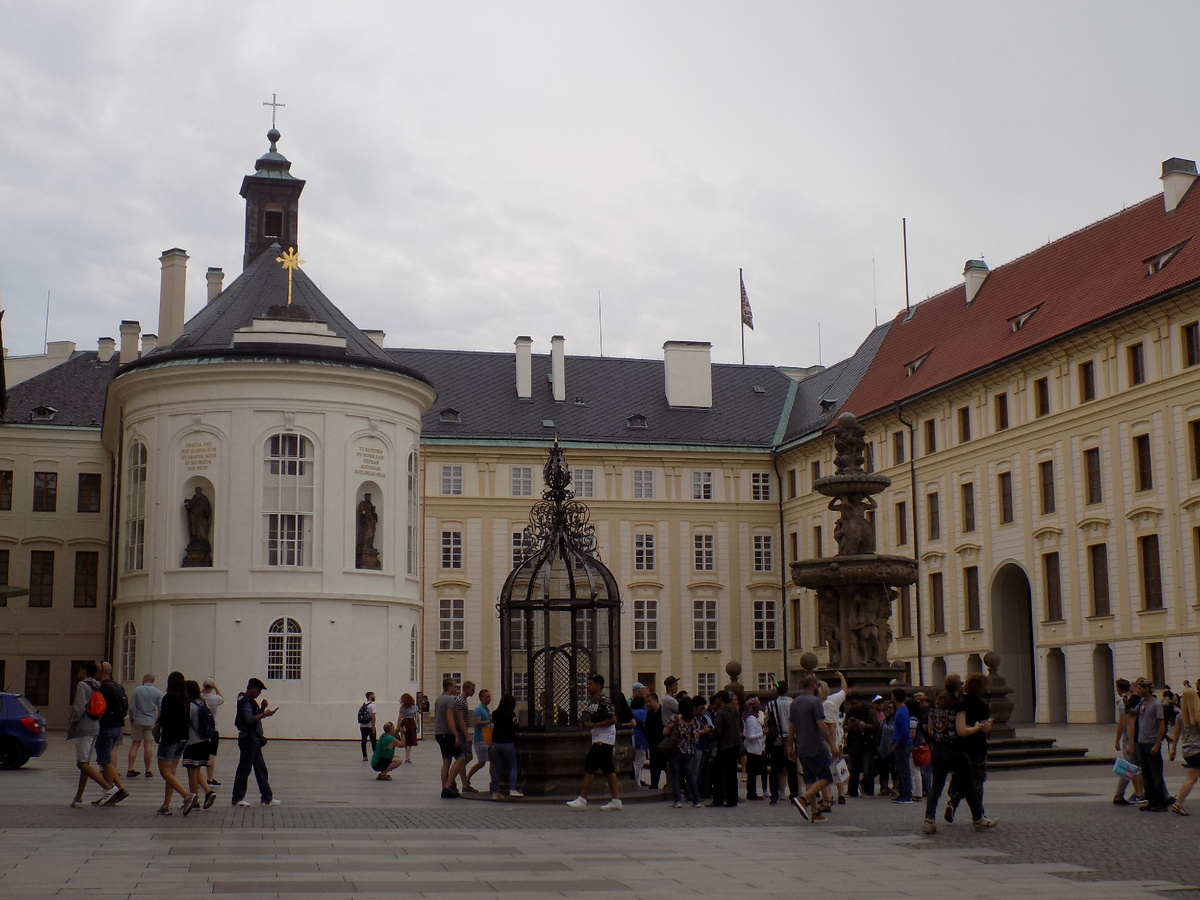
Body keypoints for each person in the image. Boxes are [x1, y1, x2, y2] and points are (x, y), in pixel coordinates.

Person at [920, 675, 997, 833]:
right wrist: (976, 727)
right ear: (959, 687)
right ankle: (978, 819)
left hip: (937, 750)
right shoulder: (958, 706)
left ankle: (929, 820)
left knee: (936, 786)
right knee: (969, 785)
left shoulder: (936, 706)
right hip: (956, 751)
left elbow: (929, 730)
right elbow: (962, 731)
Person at [565, 674, 622, 810]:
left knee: (590, 764)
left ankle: (582, 799)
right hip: (597, 736)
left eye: (590, 684)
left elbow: (613, 719)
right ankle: (616, 800)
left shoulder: (604, 701)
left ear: (598, 686)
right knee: (608, 768)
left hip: (604, 738)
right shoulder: (593, 701)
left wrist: (595, 725)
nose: (587, 686)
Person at [67, 662, 116, 808]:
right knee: (85, 763)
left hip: (84, 727)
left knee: (81, 763)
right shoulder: (97, 685)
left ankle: (108, 788)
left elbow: (79, 707)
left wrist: (74, 722)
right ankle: (78, 797)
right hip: (95, 725)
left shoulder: (82, 685)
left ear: (83, 671)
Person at [787, 674, 834, 823]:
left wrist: (790, 747)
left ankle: (814, 812)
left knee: (809, 778)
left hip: (801, 747)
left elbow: (791, 728)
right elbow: (822, 726)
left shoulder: (794, 703)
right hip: (816, 746)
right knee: (827, 777)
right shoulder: (815, 702)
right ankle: (803, 799)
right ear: (814, 685)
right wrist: (832, 744)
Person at [946, 674, 989, 822]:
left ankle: (952, 803)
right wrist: (989, 723)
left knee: (959, 777)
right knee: (977, 780)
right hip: (977, 746)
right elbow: (985, 728)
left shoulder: (960, 702)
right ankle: (979, 811)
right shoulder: (981, 705)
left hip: (961, 746)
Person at [231, 677, 279, 807]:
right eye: (258, 690)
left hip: (254, 739)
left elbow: (253, 716)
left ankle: (267, 797)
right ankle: (238, 797)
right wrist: (264, 714)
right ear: (251, 687)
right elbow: (249, 719)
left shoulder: (248, 701)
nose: (259, 693)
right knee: (245, 768)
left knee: (260, 768)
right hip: (248, 739)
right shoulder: (246, 701)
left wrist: (262, 709)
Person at [157, 671, 197, 816]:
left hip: (170, 738)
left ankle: (187, 796)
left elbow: (163, 719)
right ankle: (166, 804)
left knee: (165, 772)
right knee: (171, 772)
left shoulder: (168, 697)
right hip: (183, 738)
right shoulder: (184, 698)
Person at [1130, 677, 1170, 812]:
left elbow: (1162, 726)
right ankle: (1151, 801)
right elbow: (1132, 713)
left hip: (1151, 742)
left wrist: (1157, 744)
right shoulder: (1142, 702)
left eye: (1140, 688)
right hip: (1141, 742)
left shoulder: (1156, 704)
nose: (1138, 690)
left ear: (1147, 689)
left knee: (1156, 775)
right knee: (1146, 775)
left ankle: (1161, 803)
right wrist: (1126, 704)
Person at [94, 662, 131, 806]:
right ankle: (109, 792)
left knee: (105, 761)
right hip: (117, 726)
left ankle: (117, 789)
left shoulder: (103, 688)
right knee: (106, 759)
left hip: (106, 726)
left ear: (102, 671)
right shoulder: (117, 686)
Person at [182, 680, 217, 809]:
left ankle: (194, 800)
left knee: (191, 772)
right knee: (196, 770)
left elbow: (185, 723)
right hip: (204, 741)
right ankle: (208, 792)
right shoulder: (202, 703)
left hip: (192, 742)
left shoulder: (190, 706)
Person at [664, 696, 702, 807]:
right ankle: (696, 800)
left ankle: (677, 801)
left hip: (675, 750)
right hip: (689, 751)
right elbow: (696, 738)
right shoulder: (695, 721)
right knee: (690, 776)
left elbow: (666, 733)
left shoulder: (675, 718)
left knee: (675, 776)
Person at [1168, 686, 1200, 815]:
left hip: (1187, 751)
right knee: (1191, 779)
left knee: (1192, 777)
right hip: (1198, 750)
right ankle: (1178, 803)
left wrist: (1173, 749)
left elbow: (1176, 734)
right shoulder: (1197, 714)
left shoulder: (1180, 716)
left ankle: (1178, 803)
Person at [1113, 677, 1144, 805]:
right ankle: (1139, 793)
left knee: (1128, 767)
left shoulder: (1123, 702)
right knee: (1134, 767)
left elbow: (1122, 723)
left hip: (1129, 737)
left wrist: (1117, 740)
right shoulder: (1131, 700)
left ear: (1118, 688)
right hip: (1136, 737)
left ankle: (1121, 795)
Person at [765, 682, 798, 804]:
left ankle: (774, 795)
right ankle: (794, 795)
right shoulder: (792, 703)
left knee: (774, 769)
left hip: (776, 740)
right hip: (790, 740)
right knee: (792, 769)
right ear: (787, 690)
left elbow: (766, 720)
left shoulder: (771, 704)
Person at [708, 692, 742, 808]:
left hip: (725, 745)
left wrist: (711, 735)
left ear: (721, 699)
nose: (716, 701)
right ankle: (732, 799)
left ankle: (718, 799)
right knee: (732, 773)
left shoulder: (721, 713)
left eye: (717, 699)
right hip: (735, 744)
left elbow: (718, 731)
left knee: (718, 774)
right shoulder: (734, 710)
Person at [127, 673, 161, 778]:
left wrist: (131, 719)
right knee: (148, 745)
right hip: (150, 721)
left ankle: (130, 768)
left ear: (145, 679)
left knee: (135, 745)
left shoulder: (137, 690)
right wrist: (157, 720)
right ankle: (148, 769)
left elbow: (131, 707)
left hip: (138, 719)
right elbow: (160, 708)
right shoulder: (158, 692)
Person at [489, 694, 522, 800]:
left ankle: (495, 792)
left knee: (497, 768)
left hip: (496, 743)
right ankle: (512, 789)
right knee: (513, 766)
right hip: (508, 742)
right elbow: (516, 726)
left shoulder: (495, 713)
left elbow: (492, 724)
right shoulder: (511, 714)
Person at [843, 696, 876, 797]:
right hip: (853, 742)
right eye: (852, 704)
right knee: (853, 768)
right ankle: (852, 790)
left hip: (866, 743)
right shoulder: (850, 712)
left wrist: (862, 725)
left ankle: (868, 789)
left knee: (867, 769)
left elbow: (874, 726)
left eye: (855, 703)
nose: (854, 706)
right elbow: (844, 726)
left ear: (861, 701)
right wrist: (849, 725)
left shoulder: (869, 711)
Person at [435, 678, 463, 798]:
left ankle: (444, 787)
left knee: (446, 761)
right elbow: (449, 718)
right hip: (447, 733)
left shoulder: (438, 699)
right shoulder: (450, 700)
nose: (456, 688)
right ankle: (448, 784)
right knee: (461, 757)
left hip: (439, 733)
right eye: (454, 686)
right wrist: (456, 734)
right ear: (449, 687)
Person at [452, 681, 477, 792]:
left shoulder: (462, 701)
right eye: (472, 689)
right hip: (461, 733)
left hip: (462, 732)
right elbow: (460, 720)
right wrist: (467, 734)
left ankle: (455, 776)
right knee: (462, 758)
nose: (473, 692)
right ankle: (462, 783)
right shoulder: (460, 701)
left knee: (468, 756)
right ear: (466, 689)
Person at [890, 688, 914, 803]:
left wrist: (897, 742)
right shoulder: (902, 710)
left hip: (903, 743)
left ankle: (906, 794)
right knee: (900, 769)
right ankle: (903, 792)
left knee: (903, 769)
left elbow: (904, 730)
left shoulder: (901, 712)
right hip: (903, 742)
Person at [742, 696, 768, 801]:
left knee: (753, 773)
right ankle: (752, 793)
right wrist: (762, 733)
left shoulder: (753, 718)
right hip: (753, 750)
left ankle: (752, 792)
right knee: (753, 773)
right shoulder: (751, 719)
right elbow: (750, 736)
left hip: (756, 749)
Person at [467, 689, 493, 789]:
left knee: (483, 762)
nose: (489, 699)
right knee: (489, 761)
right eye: (487, 697)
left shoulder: (486, 709)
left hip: (486, 738)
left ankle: (468, 778)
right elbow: (477, 723)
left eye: (489, 696)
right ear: (481, 698)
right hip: (480, 739)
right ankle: (493, 782)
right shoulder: (479, 709)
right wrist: (488, 722)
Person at [201, 678, 224, 785]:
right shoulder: (215, 699)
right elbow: (222, 699)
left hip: (200, 729)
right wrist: (216, 687)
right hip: (213, 728)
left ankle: (197, 776)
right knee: (211, 754)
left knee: (200, 754)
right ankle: (210, 778)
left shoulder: (199, 698)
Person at [643, 692, 666, 791]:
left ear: (656, 700)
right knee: (654, 764)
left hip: (662, 742)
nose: (648, 704)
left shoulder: (663, 712)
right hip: (652, 743)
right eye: (646, 702)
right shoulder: (649, 713)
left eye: (649, 702)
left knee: (665, 763)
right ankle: (654, 784)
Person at [397, 693, 420, 764]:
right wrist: (418, 726)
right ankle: (407, 757)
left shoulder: (402, 707)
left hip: (404, 723)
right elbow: (417, 717)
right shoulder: (414, 707)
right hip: (411, 723)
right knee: (410, 741)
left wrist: (398, 726)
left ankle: (407, 756)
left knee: (405, 739)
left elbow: (400, 717)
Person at [358, 691, 378, 761]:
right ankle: (375, 755)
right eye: (373, 695)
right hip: (369, 726)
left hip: (362, 726)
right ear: (370, 696)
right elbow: (373, 716)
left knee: (364, 741)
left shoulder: (363, 705)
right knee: (373, 741)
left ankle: (364, 756)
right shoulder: (373, 705)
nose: (374, 696)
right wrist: (373, 727)